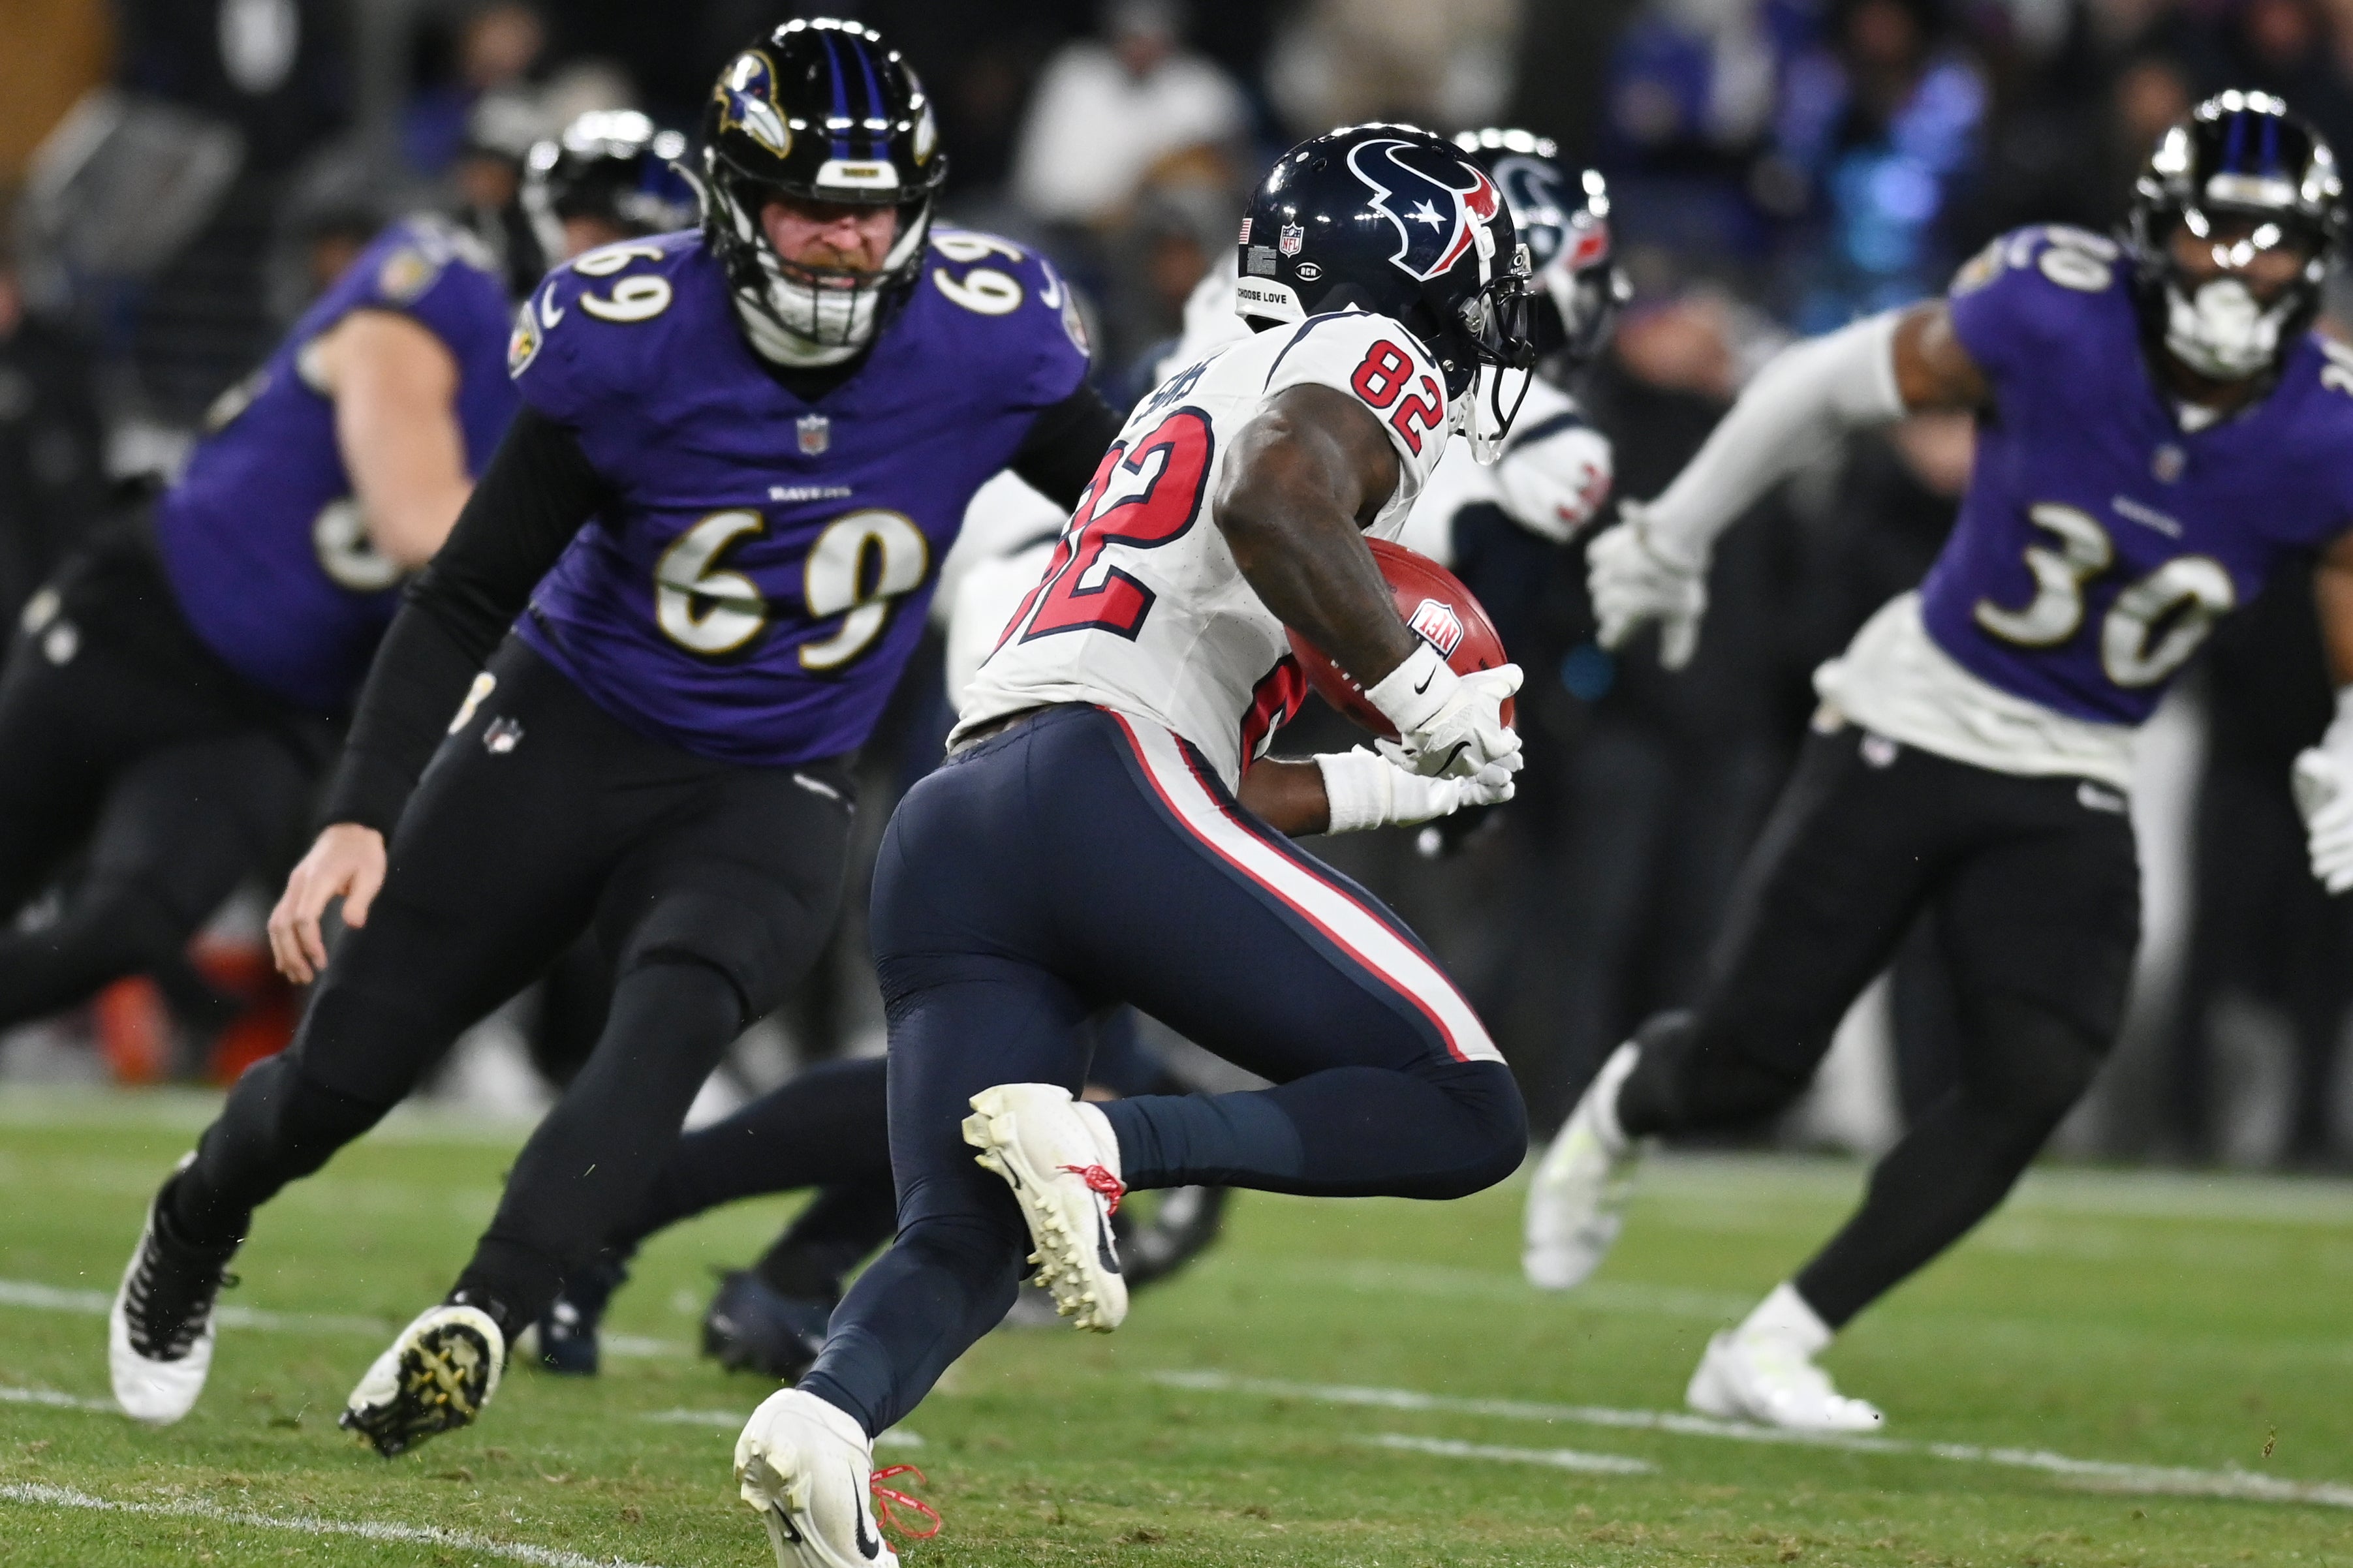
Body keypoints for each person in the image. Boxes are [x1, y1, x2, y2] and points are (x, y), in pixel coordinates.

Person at [108, 18, 1123, 1458]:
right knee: (344, 1072)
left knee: (679, 1011)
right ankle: (197, 1210)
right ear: (732, 203)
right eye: (807, 208)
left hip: (776, 768)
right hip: (569, 728)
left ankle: (487, 1309)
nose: (842, 242)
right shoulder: (635, 334)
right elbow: (465, 588)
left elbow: (1143, 500)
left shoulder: (989, 333)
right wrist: (361, 808)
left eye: (870, 210)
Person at [730, 122, 1535, 1568]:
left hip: (969, 813)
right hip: (1108, 784)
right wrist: (1420, 690)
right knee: (1464, 1105)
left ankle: (823, 1422)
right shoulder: (1363, 354)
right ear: (1408, 270)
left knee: (967, 1229)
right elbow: (1275, 498)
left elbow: (1217, 763)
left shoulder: (1198, 378)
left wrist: (1402, 783)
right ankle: (1110, 1142)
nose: (1484, 325)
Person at [1523, 91, 2353, 1432]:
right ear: (2154, 239)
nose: (2236, 269)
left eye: (2268, 244)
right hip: (1916, 712)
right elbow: (1822, 383)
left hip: (2081, 759)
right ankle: (1629, 1103)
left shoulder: (2329, 423)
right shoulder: (2054, 311)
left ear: (2311, 257)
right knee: (1753, 1062)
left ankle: (1776, 1339)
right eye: (2211, 235)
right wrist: (1677, 532)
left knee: (2038, 1069)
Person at [0, 169, 523, 1059]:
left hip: (270, 705)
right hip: (142, 624)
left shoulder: (592, 381)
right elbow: (410, 519)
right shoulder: (437, 281)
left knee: (133, 920)